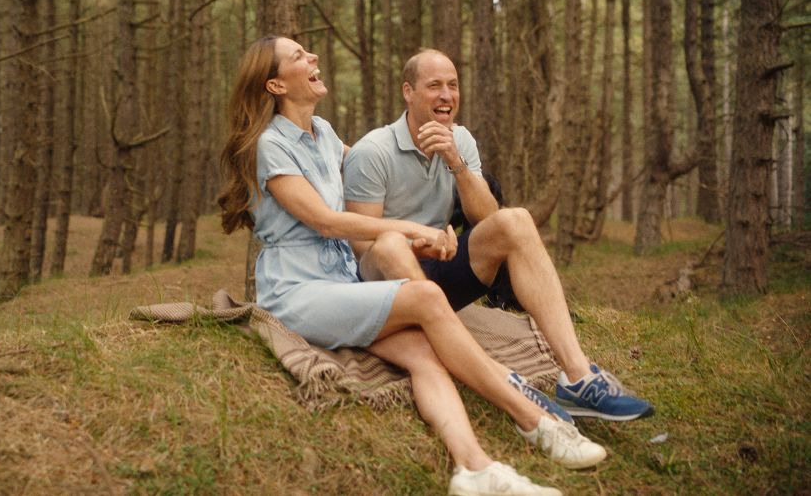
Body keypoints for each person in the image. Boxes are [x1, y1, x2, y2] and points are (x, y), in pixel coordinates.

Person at [218, 36, 606, 496]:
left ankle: (474, 468)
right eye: (299, 56)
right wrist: (412, 230)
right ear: (276, 83)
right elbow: (323, 221)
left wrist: (437, 222)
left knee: (424, 354)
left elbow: (369, 167)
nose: (313, 57)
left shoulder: (323, 134)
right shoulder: (269, 145)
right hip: (297, 290)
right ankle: (532, 416)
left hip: (344, 284)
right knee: (425, 297)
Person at [343, 48, 655, 422]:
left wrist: (455, 163)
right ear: (408, 92)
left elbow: (487, 219)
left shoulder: (462, 141)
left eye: (453, 86)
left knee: (516, 220)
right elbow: (360, 243)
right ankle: (496, 376)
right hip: (387, 286)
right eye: (434, 86)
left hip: (440, 271)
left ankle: (578, 376)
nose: (446, 95)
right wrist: (416, 244)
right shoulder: (373, 151)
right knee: (391, 245)